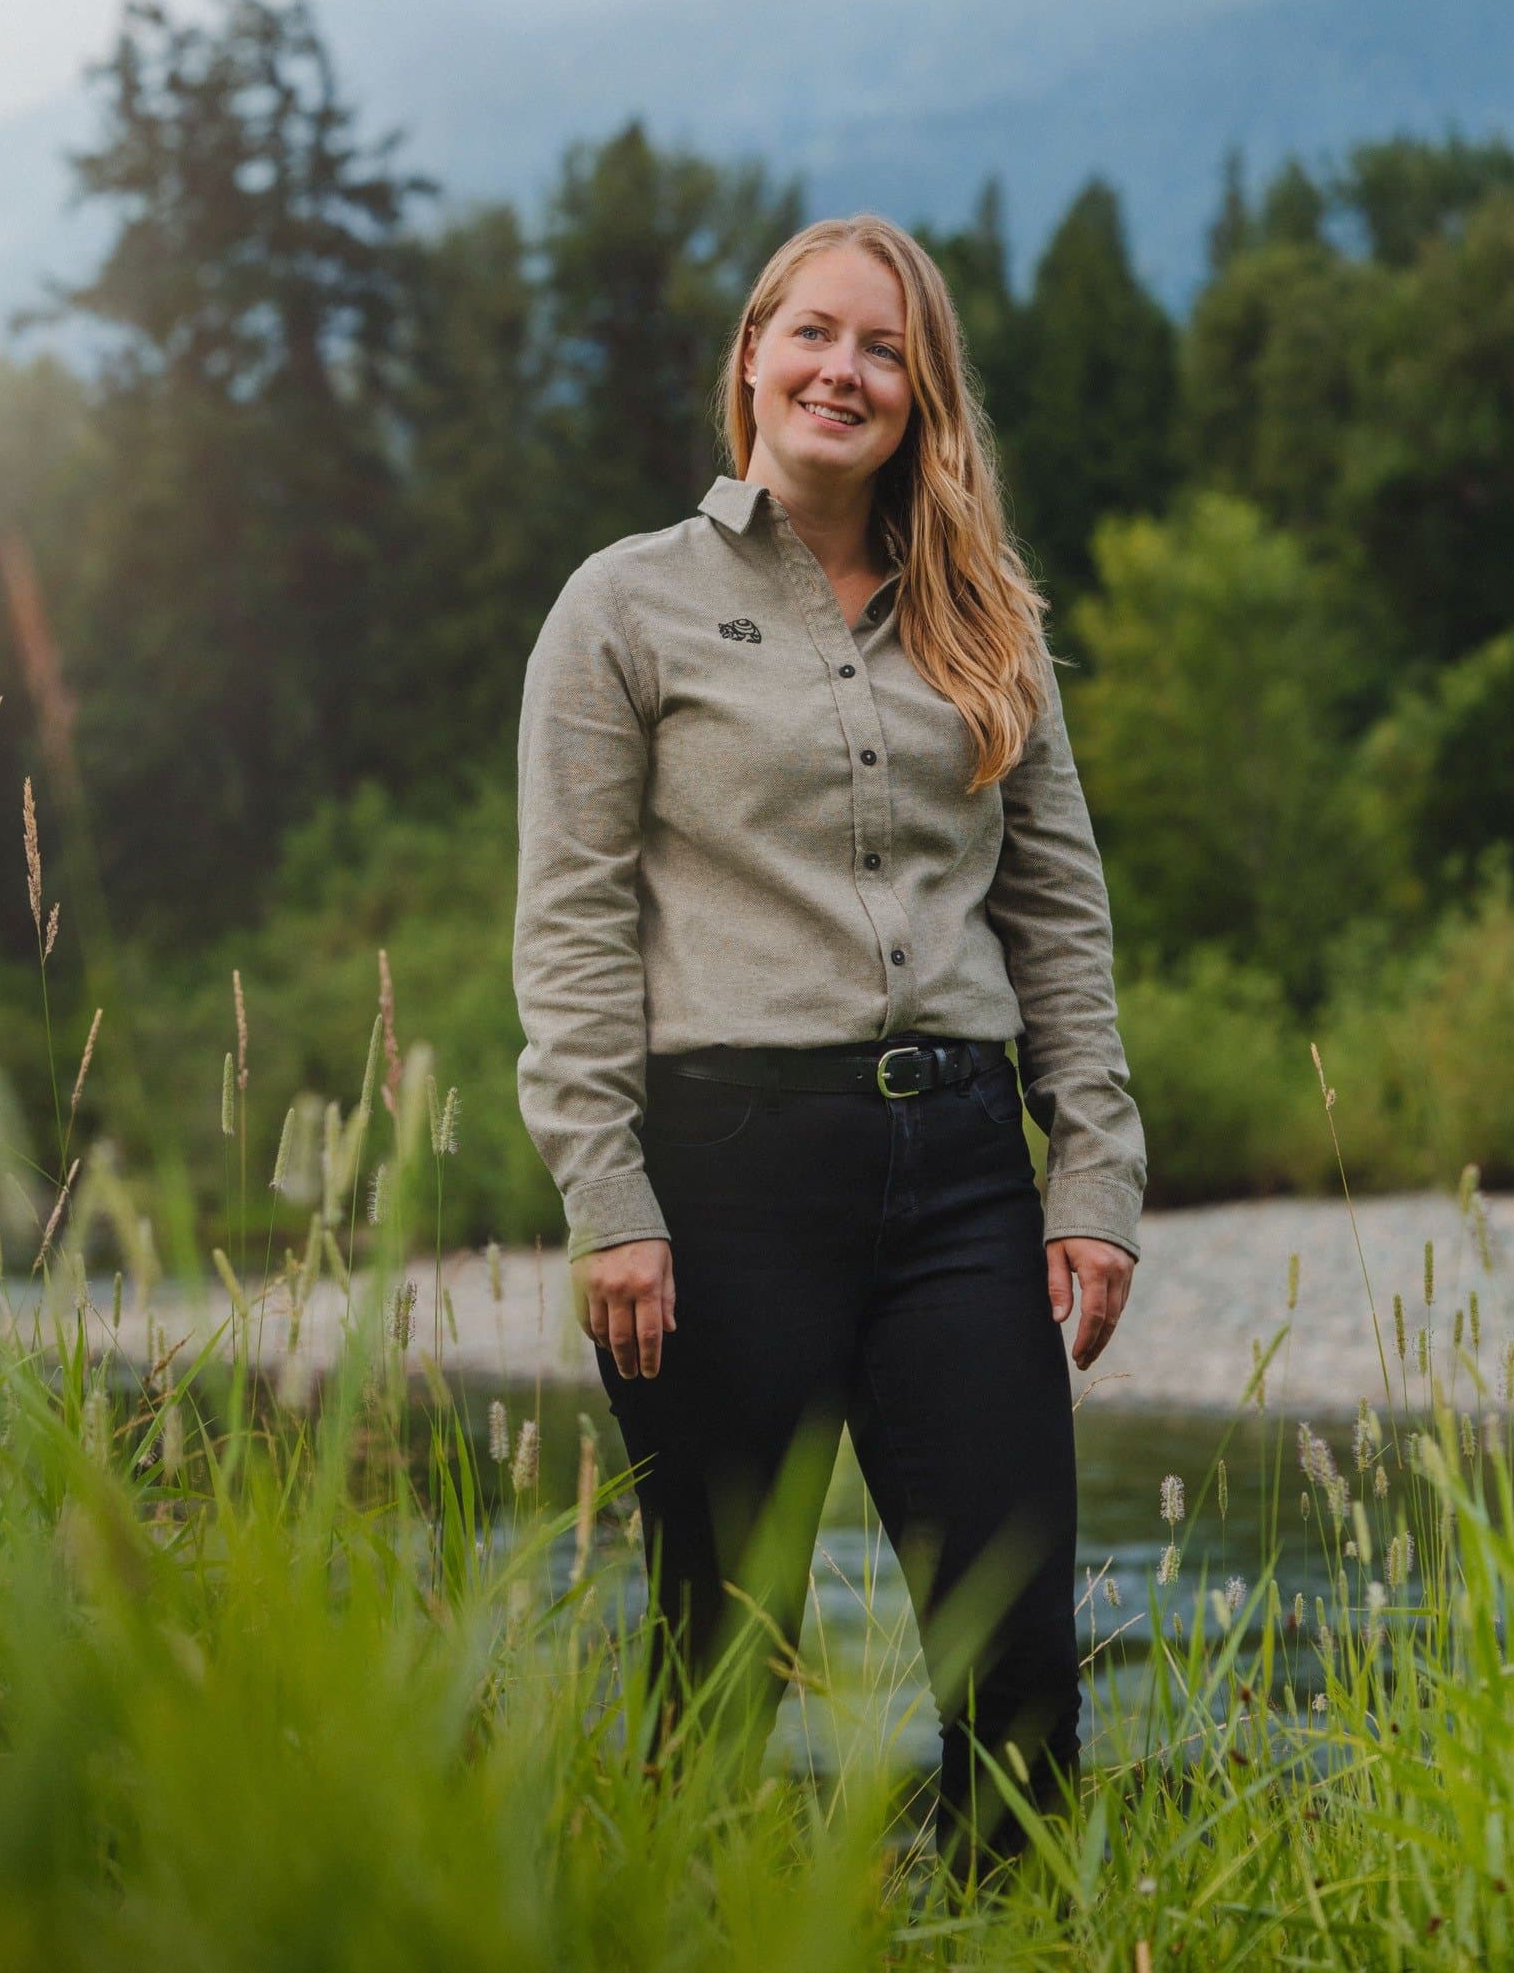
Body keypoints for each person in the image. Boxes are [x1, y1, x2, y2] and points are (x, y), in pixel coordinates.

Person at [511, 213, 1146, 1873]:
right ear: (751, 357)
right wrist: (609, 1196)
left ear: (922, 393)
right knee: (721, 1648)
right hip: (722, 1187)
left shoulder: (987, 620)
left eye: (883, 348)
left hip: (958, 1179)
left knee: (1016, 1663)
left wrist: (1094, 1169)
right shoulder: (624, 607)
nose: (842, 370)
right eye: (813, 333)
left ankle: (1006, 1933)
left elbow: (1059, 915)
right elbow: (570, 926)